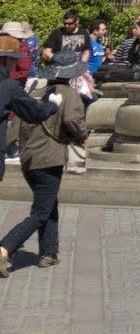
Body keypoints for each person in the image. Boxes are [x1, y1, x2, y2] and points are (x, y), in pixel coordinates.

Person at [0, 47, 84, 277]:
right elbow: (73, 121)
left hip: (29, 158)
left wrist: (7, 148)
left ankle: (49, 252)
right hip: (49, 158)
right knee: (40, 211)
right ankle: (5, 248)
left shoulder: (35, 90)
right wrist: (83, 137)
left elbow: (14, 125)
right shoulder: (68, 94)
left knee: (48, 203)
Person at [0, 35, 61, 188]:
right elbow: (35, 113)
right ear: (6, 59)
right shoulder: (8, 87)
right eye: (14, 60)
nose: (16, 64)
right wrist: (52, 104)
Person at [99, 15, 140, 83]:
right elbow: (130, 58)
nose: (133, 30)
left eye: (136, 28)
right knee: (103, 68)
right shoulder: (136, 42)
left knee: (110, 73)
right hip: (133, 69)